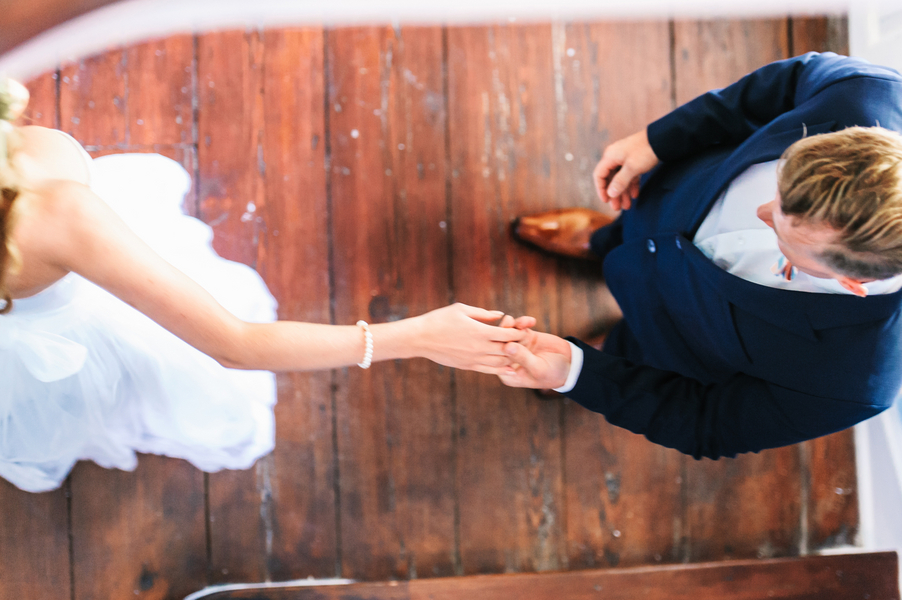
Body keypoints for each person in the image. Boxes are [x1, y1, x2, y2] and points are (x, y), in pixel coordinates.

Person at [0, 79, 532, 493]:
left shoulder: (49, 214)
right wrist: (416, 336)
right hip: (83, 300)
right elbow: (235, 344)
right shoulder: (58, 215)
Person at [503, 52, 902, 460]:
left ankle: (611, 349)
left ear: (854, 282)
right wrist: (657, 140)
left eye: (781, 233)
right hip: (669, 201)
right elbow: (778, 86)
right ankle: (603, 238)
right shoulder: (868, 95)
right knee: (629, 231)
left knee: (630, 352)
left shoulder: (853, 381)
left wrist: (579, 373)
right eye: (779, 180)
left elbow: (707, 424)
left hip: (671, 334)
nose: (761, 211)